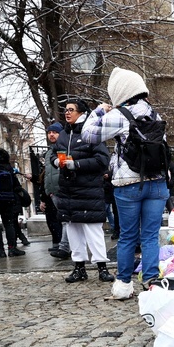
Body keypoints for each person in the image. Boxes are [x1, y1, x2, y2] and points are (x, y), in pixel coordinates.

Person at [80, 67, 170, 299]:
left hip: (129, 184)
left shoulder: (120, 115)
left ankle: (123, 285)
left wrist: (98, 111)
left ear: (119, 92)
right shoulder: (155, 115)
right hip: (157, 183)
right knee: (150, 236)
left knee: (128, 236)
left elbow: (88, 135)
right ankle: (151, 281)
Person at [52, 98, 114, 283]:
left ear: (81, 113)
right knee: (73, 230)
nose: (67, 113)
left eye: (71, 109)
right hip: (68, 190)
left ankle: (102, 267)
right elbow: (53, 153)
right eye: (65, 110)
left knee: (92, 230)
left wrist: (77, 164)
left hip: (88, 190)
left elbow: (102, 160)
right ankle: (79, 267)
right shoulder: (63, 134)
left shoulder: (91, 132)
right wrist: (55, 161)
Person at [41, 123, 69, 258]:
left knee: (67, 220)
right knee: (65, 220)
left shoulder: (65, 147)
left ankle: (65, 248)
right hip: (54, 192)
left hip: (63, 189)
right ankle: (64, 247)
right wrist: (48, 192)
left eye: (55, 132)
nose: (51, 135)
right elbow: (47, 174)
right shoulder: (49, 152)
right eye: (49, 132)